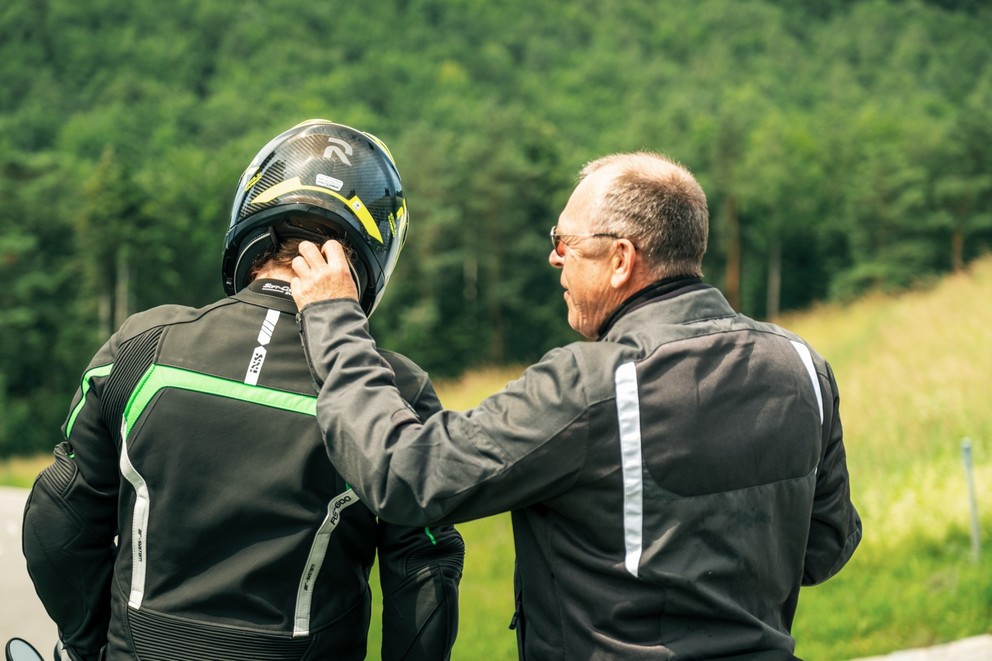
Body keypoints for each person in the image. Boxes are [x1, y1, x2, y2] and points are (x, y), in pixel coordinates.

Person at [290, 151, 862, 660]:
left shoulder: (591, 385)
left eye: (563, 244)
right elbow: (826, 546)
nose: (554, 260)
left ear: (620, 259)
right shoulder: (802, 366)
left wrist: (334, 317)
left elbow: (405, 475)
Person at [22, 119, 463, 661]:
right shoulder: (392, 392)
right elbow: (423, 579)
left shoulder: (143, 349)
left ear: (252, 217)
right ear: (375, 252)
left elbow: (55, 521)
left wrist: (89, 646)